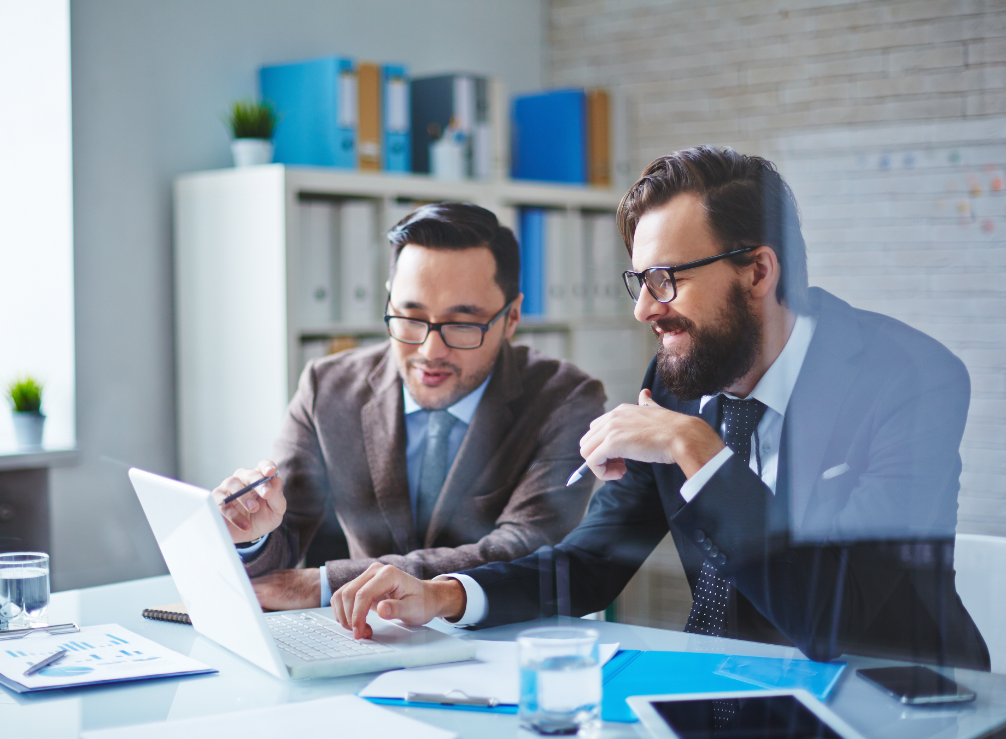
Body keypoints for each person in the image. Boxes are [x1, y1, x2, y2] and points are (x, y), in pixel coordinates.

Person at [330, 146, 990, 671]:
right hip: (723, 690)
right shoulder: (678, 381)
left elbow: (834, 616)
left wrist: (698, 451)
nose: (645, 308)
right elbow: (590, 564)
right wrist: (446, 596)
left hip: (903, 701)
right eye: (639, 282)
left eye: (665, 279)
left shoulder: (909, 380)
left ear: (757, 273)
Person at [215, 202, 606, 611]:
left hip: (502, 641)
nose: (430, 350)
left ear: (512, 318)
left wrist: (328, 582)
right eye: (410, 317)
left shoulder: (566, 399)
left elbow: (525, 549)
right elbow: (283, 538)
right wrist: (250, 533)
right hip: (365, 639)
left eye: (462, 324)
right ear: (389, 303)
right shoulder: (326, 388)